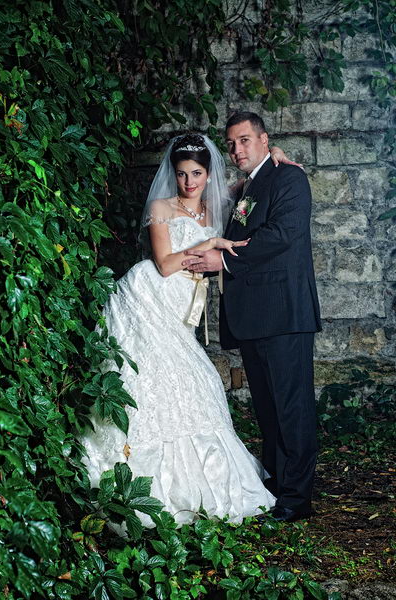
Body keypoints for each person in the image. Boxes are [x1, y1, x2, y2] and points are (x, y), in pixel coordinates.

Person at [80, 132, 296, 528]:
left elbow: (254, 179)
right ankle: (134, 476)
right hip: (149, 298)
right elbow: (164, 264)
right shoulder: (161, 207)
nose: (189, 182)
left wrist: (275, 152)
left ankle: (200, 484)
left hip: (182, 312)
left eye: (197, 173)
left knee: (190, 386)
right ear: (173, 174)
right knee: (154, 383)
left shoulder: (220, 206)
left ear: (209, 175)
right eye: (182, 174)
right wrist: (210, 242)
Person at [182, 113, 322, 522]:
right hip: (255, 316)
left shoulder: (289, 178)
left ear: (264, 139)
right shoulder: (251, 184)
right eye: (231, 143)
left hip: (284, 314)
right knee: (269, 409)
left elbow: (281, 234)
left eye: (245, 140)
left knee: (292, 408)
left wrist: (222, 260)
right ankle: (277, 486)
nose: (236, 150)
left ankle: (297, 499)